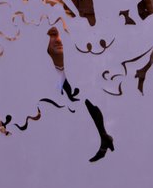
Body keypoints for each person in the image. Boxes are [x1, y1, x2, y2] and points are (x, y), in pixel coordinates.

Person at [47, 26, 114, 162]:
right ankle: (104, 139)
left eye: (57, 36)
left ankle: (104, 139)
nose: (57, 40)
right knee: (87, 104)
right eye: (53, 36)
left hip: (76, 78)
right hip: (67, 79)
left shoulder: (64, 47)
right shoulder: (52, 50)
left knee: (88, 102)